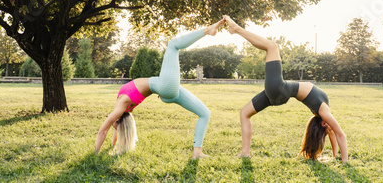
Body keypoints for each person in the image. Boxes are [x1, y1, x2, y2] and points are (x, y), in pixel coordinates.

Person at [223, 15, 348, 163]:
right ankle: (245, 152)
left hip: (279, 89)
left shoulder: (323, 112)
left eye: (328, 128)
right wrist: (334, 156)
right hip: (278, 94)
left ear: (323, 123)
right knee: (244, 113)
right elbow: (333, 133)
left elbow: (340, 135)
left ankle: (236, 29)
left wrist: (344, 161)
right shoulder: (323, 115)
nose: (331, 128)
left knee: (272, 46)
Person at [95, 19, 225, 159]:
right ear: (117, 118)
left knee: (205, 113)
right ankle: (207, 31)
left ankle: (197, 153)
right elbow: (103, 131)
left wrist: (114, 144)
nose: (110, 119)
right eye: (113, 121)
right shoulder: (121, 106)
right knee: (173, 45)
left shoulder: (123, 110)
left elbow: (117, 129)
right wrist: (95, 154)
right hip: (165, 86)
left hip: (166, 91)